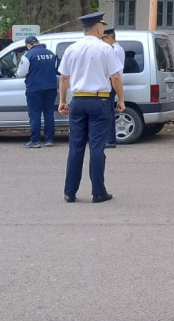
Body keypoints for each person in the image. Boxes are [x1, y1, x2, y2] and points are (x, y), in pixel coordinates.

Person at [57, 12, 125, 203]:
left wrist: (63, 100)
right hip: (100, 101)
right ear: (98, 28)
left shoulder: (71, 49)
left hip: (78, 100)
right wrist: (121, 99)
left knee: (76, 146)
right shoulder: (105, 49)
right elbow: (116, 77)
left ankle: (70, 191)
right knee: (97, 147)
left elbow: (64, 78)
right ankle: (98, 191)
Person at [16, 36, 58, 148]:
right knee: (49, 113)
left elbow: (20, 73)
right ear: (38, 42)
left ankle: (35, 141)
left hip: (35, 88)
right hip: (51, 87)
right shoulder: (51, 54)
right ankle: (49, 139)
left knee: (35, 115)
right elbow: (55, 68)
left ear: (29, 45)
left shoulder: (28, 55)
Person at [101, 26, 126, 148]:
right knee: (108, 111)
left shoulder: (114, 50)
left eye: (104, 39)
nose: (103, 42)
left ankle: (110, 139)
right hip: (113, 81)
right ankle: (109, 138)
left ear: (109, 37)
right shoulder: (118, 49)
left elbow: (113, 72)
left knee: (108, 112)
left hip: (111, 82)